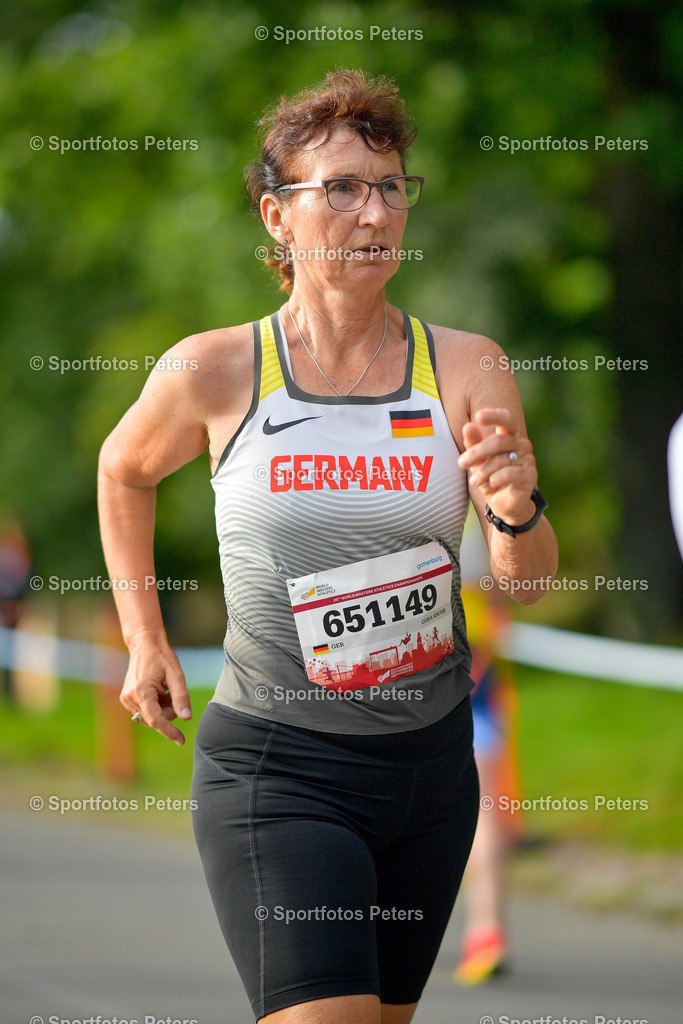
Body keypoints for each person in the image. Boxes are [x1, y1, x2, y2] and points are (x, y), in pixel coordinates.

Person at [98, 69, 558, 1024]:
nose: (372, 210)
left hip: (430, 774)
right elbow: (123, 472)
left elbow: (527, 580)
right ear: (277, 216)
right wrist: (143, 638)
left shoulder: (466, 366)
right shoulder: (217, 369)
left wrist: (513, 509)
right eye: (340, 188)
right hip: (279, 766)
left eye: (390, 185)